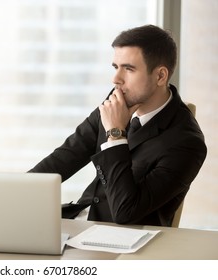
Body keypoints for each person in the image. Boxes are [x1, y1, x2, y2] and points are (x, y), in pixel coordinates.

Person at [27, 24, 207, 226]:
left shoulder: (187, 143)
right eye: (115, 67)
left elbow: (126, 212)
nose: (116, 79)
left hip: (124, 243)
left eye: (129, 69)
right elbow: (68, 155)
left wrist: (116, 134)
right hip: (81, 222)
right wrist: (18, 190)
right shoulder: (117, 100)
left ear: (160, 76)